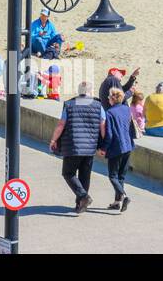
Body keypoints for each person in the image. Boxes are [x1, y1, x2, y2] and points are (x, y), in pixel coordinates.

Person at [50, 81, 107, 214]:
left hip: (73, 145)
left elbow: (61, 124)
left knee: (68, 173)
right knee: (85, 176)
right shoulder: (98, 105)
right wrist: (104, 144)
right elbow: (103, 125)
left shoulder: (69, 104)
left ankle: (83, 197)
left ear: (79, 91)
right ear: (91, 91)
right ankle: (80, 204)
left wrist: (54, 140)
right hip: (90, 146)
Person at [101, 86, 135, 211]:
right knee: (121, 176)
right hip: (128, 146)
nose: (108, 99)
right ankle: (117, 202)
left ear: (112, 99)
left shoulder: (109, 113)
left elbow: (109, 134)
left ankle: (124, 196)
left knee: (113, 176)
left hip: (116, 148)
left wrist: (103, 148)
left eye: (109, 97)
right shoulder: (126, 109)